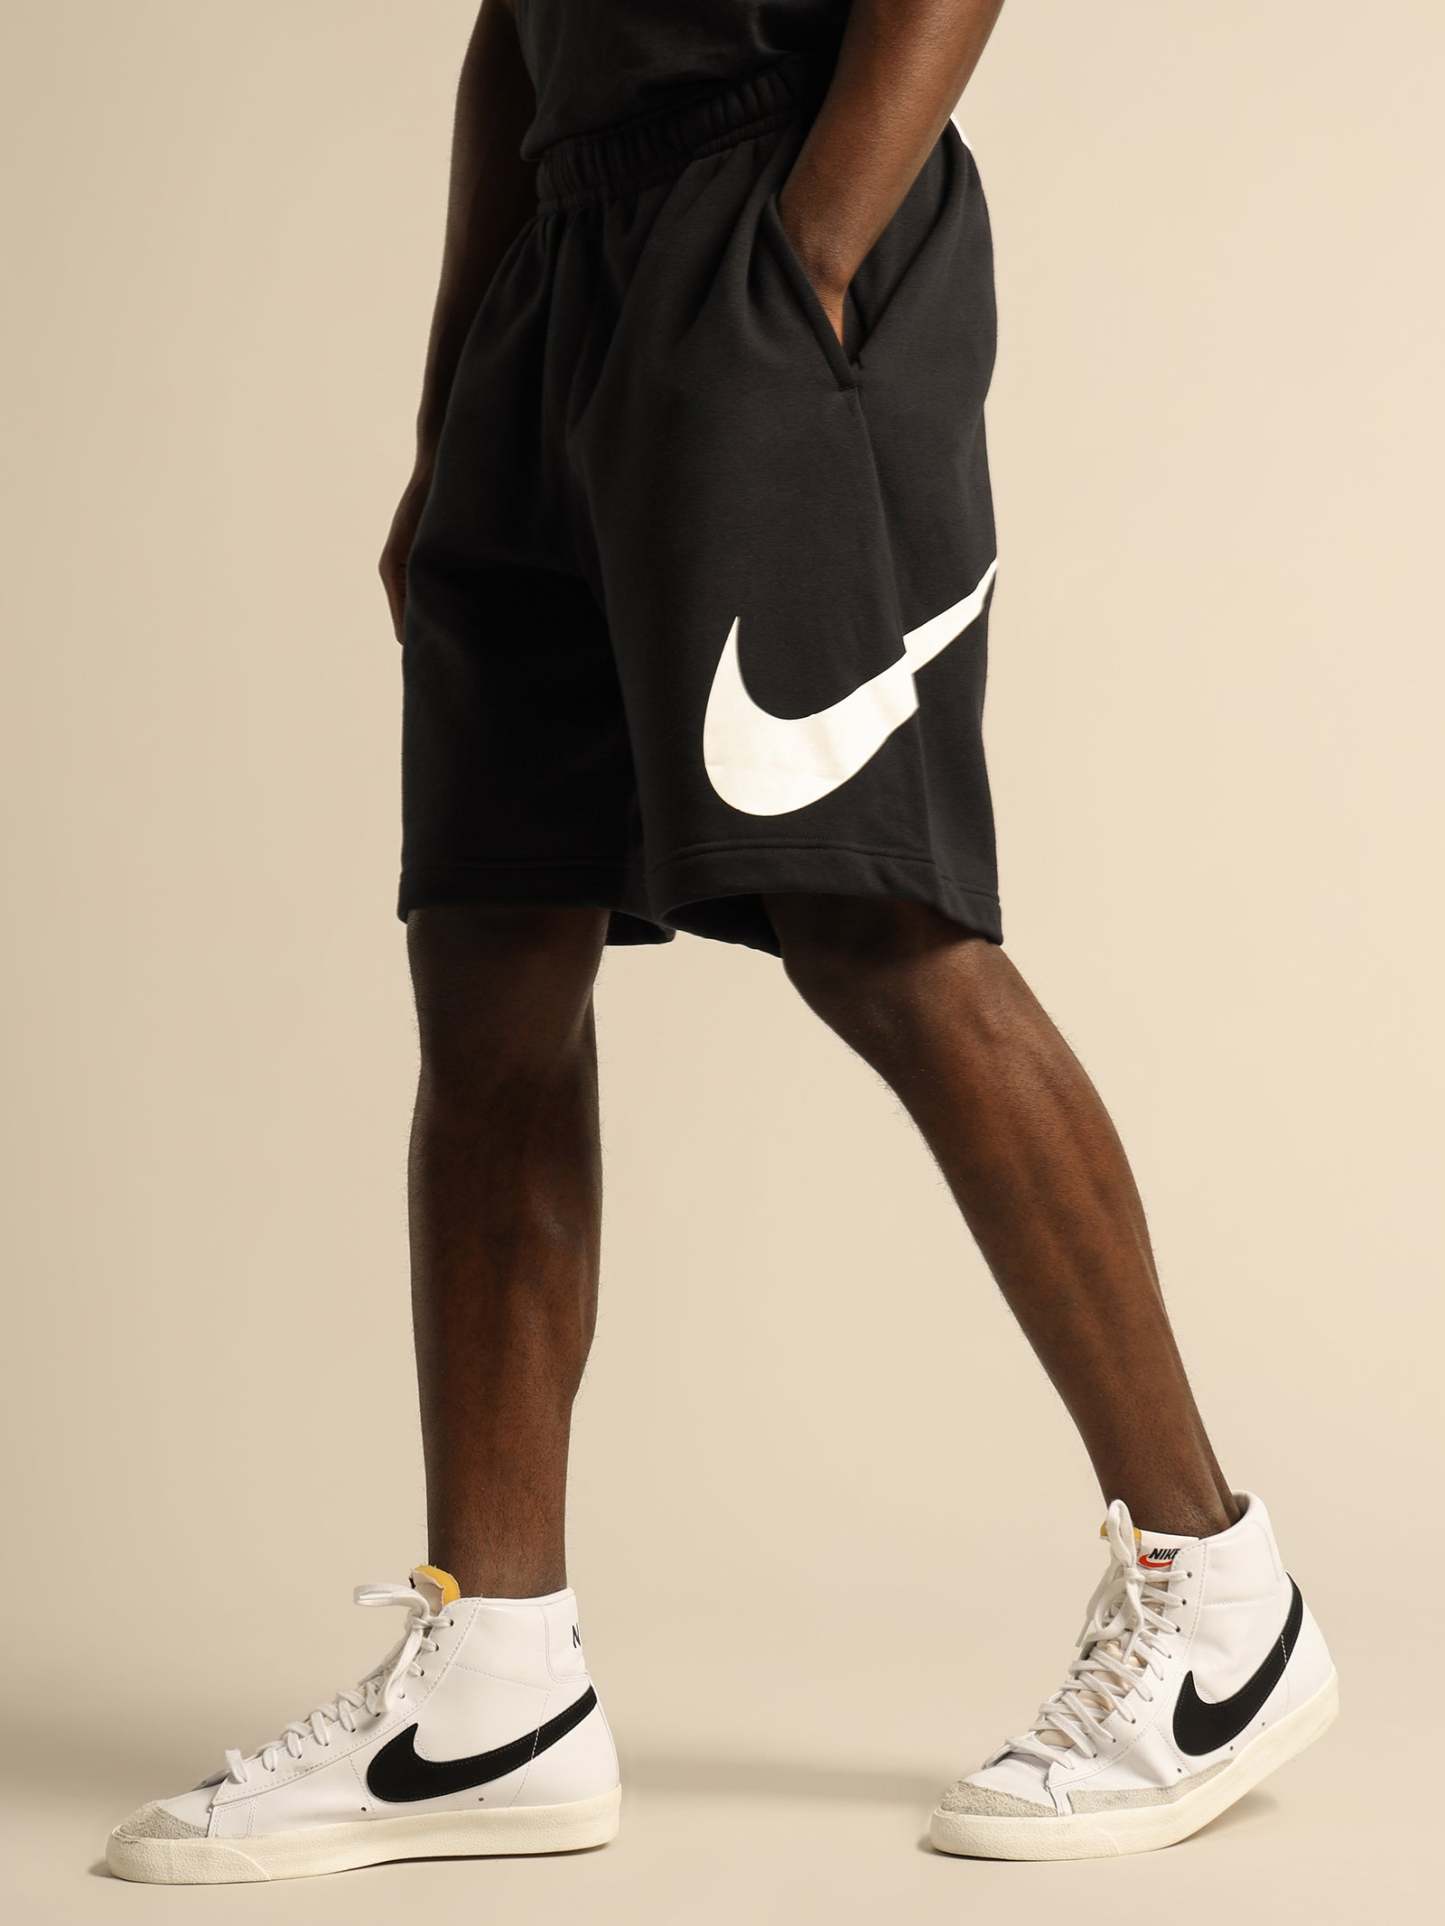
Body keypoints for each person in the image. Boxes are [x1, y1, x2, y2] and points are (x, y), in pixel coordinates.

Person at [107, 0, 1337, 1884]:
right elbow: (508, 34)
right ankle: (491, 1684)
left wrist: (808, 253)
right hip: (551, 281)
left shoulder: (793, 245)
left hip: (768, 215)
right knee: (489, 957)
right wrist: (454, 404)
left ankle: (1216, 1598)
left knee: (875, 917)